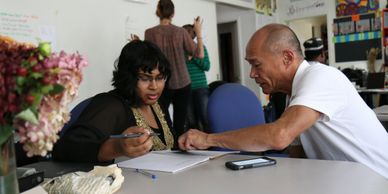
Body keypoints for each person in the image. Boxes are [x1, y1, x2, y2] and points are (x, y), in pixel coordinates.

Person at [178, 24, 388, 178]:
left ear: (287, 58)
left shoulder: (320, 77)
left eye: (257, 65)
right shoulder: (294, 96)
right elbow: (297, 157)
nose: (251, 74)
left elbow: (279, 136)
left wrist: (208, 139)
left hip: (378, 181)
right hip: (348, 181)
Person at [52, 40, 176, 163]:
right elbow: (65, 148)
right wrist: (115, 147)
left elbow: (168, 147)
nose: (154, 86)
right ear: (129, 78)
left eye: (160, 78)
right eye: (145, 78)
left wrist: (187, 142)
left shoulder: (156, 103)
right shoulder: (111, 105)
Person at [144, 0, 204, 138]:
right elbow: (199, 54)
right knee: (180, 123)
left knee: (163, 122)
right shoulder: (181, 32)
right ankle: (180, 148)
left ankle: (170, 147)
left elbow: (147, 59)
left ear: (157, 11)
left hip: (161, 84)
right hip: (183, 82)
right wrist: (199, 33)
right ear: (173, 13)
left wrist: (138, 45)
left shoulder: (150, 33)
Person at [182, 24, 210, 132]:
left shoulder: (201, 48)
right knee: (191, 122)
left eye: (187, 33)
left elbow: (206, 66)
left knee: (205, 119)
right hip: (185, 89)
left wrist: (194, 56)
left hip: (201, 88)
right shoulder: (180, 51)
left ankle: (211, 144)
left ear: (192, 35)